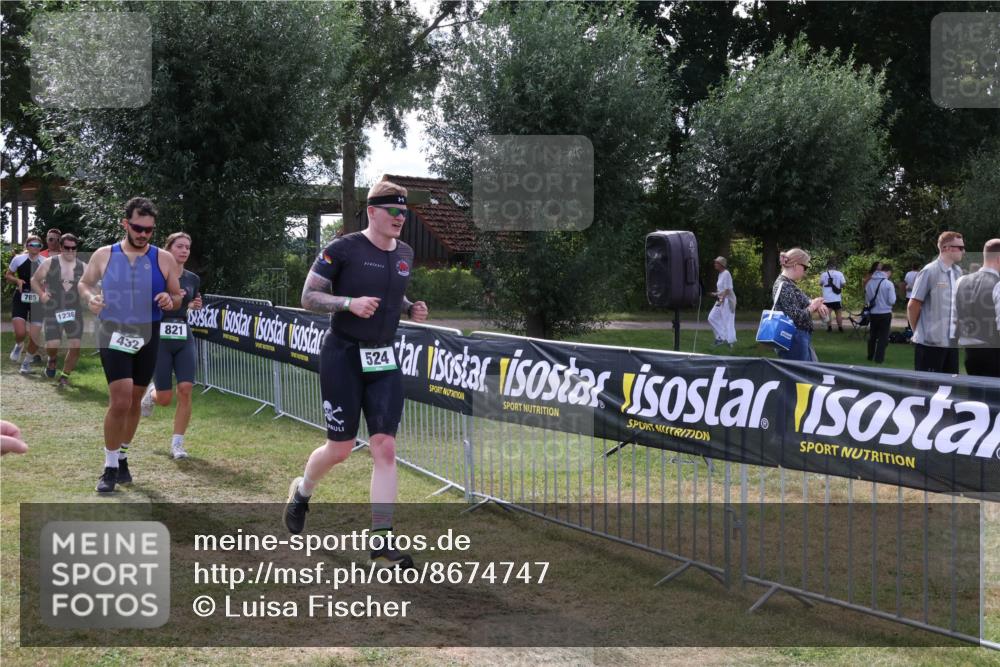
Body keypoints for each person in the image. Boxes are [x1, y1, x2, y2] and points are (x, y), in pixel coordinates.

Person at [283, 179, 428, 569]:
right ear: (373, 212)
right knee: (341, 449)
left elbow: (391, 297)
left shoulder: (406, 253)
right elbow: (308, 296)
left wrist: (409, 308)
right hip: (343, 355)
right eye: (393, 211)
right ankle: (302, 493)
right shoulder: (342, 248)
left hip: (383, 359)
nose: (400, 218)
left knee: (385, 446)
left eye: (404, 212)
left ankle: (381, 538)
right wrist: (348, 303)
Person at [77, 197, 182, 493]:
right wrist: (91, 298)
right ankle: (109, 466)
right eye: (138, 228)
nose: (143, 234)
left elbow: (176, 296)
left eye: (149, 230)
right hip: (113, 331)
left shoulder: (164, 259)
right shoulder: (104, 254)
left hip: (149, 332)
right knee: (120, 399)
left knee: (135, 400)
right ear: (126, 224)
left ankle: (122, 455)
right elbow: (84, 284)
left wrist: (169, 300)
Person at [140, 232, 203, 459]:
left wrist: (196, 304)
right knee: (165, 399)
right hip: (159, 336)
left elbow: (193, 302)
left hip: (182, 334)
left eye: (187, 247)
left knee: (186, 389)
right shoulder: (156, 276)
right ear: (168, 249)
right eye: (179, 246)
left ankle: (178, 444)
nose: (185, 250)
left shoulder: (192, 279)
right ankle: (151, 394)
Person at [30, 233, 87, 385]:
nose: (70, 251)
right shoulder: (50, 263)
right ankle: (52, 358)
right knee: (53, 344)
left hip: (74, 310)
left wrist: (93, 297)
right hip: (53, 308)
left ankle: (64, 377)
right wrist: (42, 294)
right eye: (67, 248)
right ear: (61, 247)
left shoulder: (83, 266)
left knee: (75, 346)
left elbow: (91, 286)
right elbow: (34, 280)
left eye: (73, 248)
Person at [908, 231, 964, 374]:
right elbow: (913, 305)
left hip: (952, 344)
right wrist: (919, 332)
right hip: (930, 344)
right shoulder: (929, 271)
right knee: (927, 391)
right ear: (945, 248)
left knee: (948, 391)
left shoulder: (958, 272)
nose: (963, 251)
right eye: (960, 247)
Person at [954, 238, 1000, 377]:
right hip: (994, 353)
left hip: (970, 353)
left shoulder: (960, 281)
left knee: (974, 397)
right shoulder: (997, 284)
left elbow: (954, 318)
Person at [772, 248, 828, 362]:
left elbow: (804, 301)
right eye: (805, 267)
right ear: (796, 265)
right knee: (802, 376)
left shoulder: (789, 283)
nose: (805, 271)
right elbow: (795, 316)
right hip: (793, 338)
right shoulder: (784, 285)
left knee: (809, 373)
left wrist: (816, 304)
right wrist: (813, 306)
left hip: (798, 338)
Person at [5, 235, 45, 374]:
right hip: (21, 297)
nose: (35, 247)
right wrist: (18, 281)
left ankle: (26, 363)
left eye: (38, 245)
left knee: (35, 336)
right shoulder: (18, 259)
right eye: (32, 244)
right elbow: (8, 275)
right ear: (27, 246)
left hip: (38, 300)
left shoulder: (44, 261)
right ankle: (19, 345)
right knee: (20, 332)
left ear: (41, 248)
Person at [864, 262, 896, 364]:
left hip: (873, 313)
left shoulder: (869, 283)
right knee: (883, 337)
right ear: (887, 272)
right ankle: (879, 358)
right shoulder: (888, 283)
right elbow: (892, 300)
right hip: (885, 313)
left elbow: (867, 300)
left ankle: (870, 355)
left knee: (872, 335)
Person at [707, 256, 736, 348]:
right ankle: (721, 337)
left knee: (727, 321)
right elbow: (721, 289)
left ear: (721, 265)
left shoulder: (726, 273)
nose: (715, 264)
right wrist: (716, 294)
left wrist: (719, 299)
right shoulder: (720, 274)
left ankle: (729, 342)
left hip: (727, 301)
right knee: (711, 317)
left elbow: (728, 290)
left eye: (716, 263)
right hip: (721, 299)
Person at [819, 261, 846, 333]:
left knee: (828, 314)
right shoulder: (839, 273)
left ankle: (829, 328)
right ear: (835, 267)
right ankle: (840, 328)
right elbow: (843, 284)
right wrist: (838, 287)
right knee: (839, 314)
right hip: (837, 297)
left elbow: (821, 283)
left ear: (827, 267)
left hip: (827, 297)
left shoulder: (823, 274)